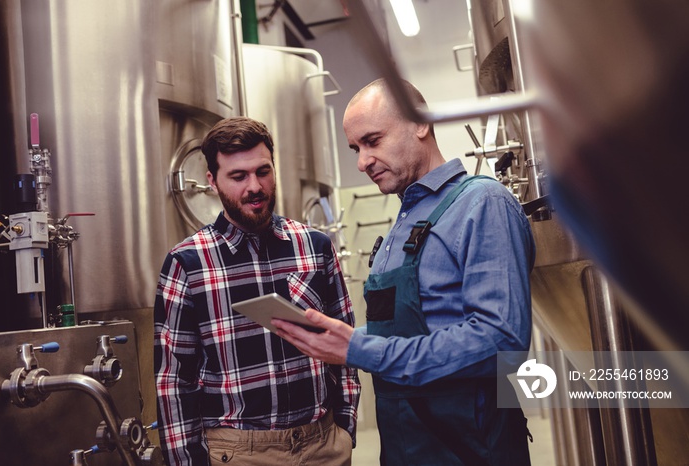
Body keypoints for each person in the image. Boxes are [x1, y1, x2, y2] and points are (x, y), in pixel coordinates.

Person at [274, 79, 535, 465]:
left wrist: (359, 347)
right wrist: (342, 341)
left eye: (373, 141)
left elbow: (501, 340)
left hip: (473, 448)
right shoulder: (403, 222)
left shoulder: (483, 204)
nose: (362, 162)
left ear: (421, 123)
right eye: (356, 148)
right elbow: (413, 333)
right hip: (406, 445)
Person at [154, 116, 361, 466]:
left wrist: (345, 427)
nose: (255, 186)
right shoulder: (187, 262)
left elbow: (344, 343)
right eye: (238, 176)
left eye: (263, 171)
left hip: (322, 443)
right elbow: (174, 380)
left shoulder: (315, 246)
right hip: (238, 452)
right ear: (212, 181)